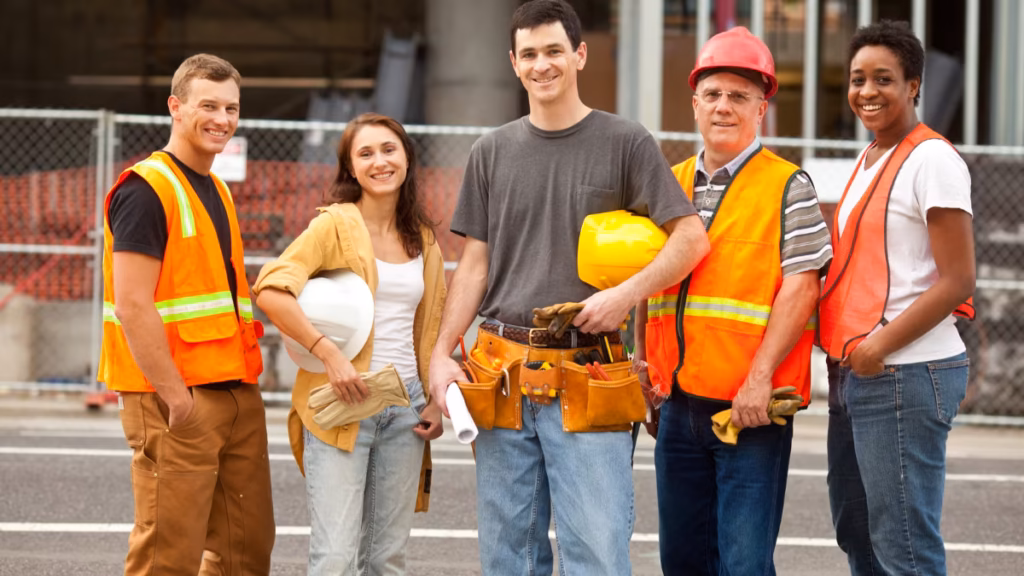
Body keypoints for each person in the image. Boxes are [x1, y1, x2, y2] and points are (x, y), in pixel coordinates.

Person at [427, 1, 709, 574]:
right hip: (501, 373)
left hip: (590, 374)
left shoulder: (625, 142)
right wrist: (438, 353)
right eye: (529, 54)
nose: (542, 64)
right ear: (513, 63)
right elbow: (474, 267)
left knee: (598, 556)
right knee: (509, 558)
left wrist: (624, 294)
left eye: (554, 50)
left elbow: (690, 240)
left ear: (579, 55)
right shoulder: (491, 152)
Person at [640, 27, 832, 575]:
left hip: (748, 411)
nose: (724, 106)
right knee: (682, 562)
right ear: (695, 102)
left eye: (739, 96)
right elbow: (646, 281)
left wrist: (760, 377)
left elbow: (802, 286)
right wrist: (641, 365)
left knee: (744, 565)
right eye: (714, 94)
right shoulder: (668, 183)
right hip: (675, 409)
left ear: (761, 108)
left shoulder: (788, 185)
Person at [98, 54, 275, 575]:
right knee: (167, 556)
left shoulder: (216, 187)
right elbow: (132, 304)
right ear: (175, 107)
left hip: (235, 389)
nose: (222, 118)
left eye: (231, 108)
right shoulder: (146, 189)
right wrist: (176, 398)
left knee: (246, 549)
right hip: (175, 399)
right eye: (208, 106)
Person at [253, 113, 446, 575]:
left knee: (386, 559)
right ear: (351, 169)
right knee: (336, 558)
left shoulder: (423, 239)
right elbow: (271, 290)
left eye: (388, 150)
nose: (380, 161)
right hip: (343, 404)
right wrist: (328, 353)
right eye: (365, 154)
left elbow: (433, 327)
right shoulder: (334, 226)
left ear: (406, 158)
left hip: (406, 410)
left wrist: (436, 400)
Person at [820, 21, 975, 576]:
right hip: (859, 370)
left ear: (913, 84)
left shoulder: (932, 160)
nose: (867, 91)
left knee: (904, 545)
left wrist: (876, 347)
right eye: (857, 79)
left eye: (883, 78)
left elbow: (958, 280)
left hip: (904, 370)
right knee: (858, 531)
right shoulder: (870, 158)